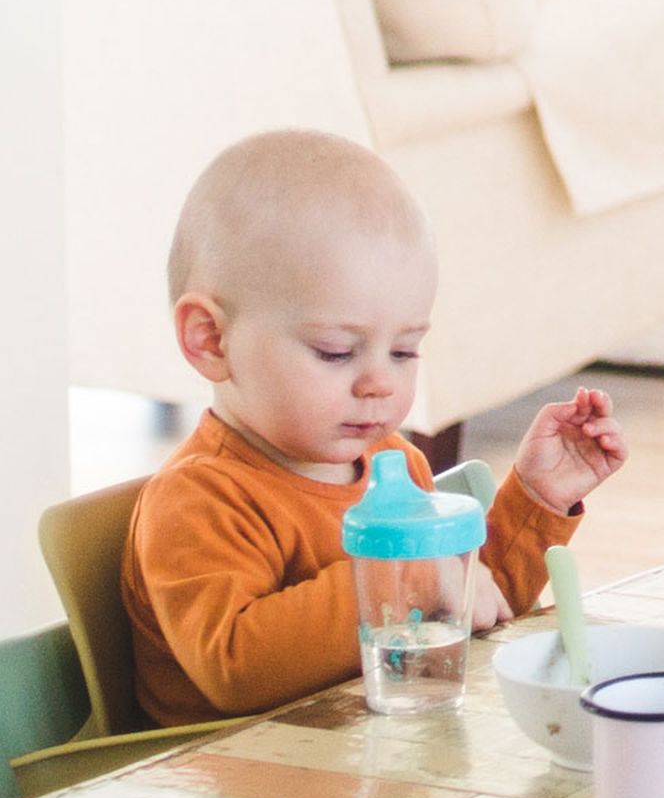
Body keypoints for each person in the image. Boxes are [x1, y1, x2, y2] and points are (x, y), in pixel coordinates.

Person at [122, 129, 628, 725]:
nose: (379, 384)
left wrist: (537, 499)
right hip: (236, 790)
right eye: (337, 352)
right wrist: (413, 576)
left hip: (363, 761)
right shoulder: (199, 501)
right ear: (211, 340)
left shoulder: (396, 465)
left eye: (405, 352)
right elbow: (238, 669)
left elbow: (470, 601)